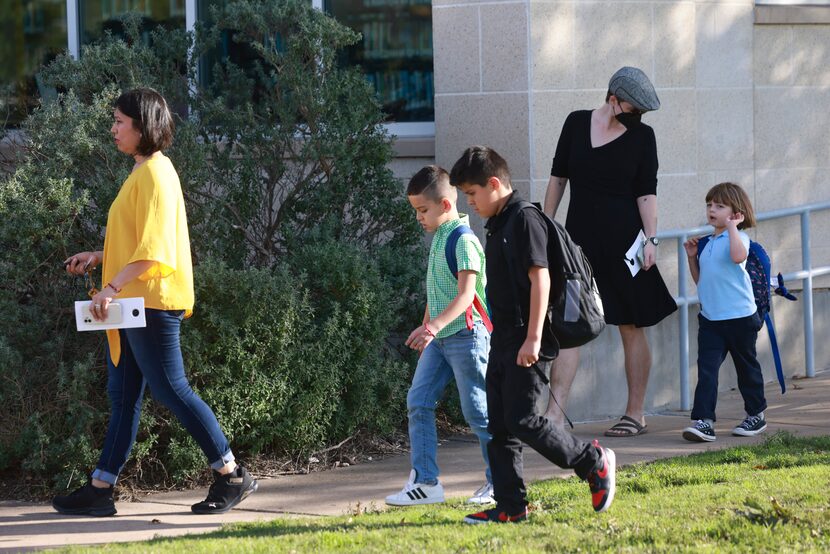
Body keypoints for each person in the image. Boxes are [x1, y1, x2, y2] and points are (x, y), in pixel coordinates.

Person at [53, 88, 257, 517]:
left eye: (119, 121)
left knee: (171, 388)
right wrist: (99, 258)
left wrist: (108, 289)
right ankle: (100, 488)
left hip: (150, 303)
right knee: (123, 397)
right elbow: (135, 245)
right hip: (133, 303)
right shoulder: (142, 173)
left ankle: (231, 475)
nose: (113, 128)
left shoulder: (156, 175)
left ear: (142, 126)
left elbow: (154, 251)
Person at [451, 146, 615, 524]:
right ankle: (511, 507)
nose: (471, 203)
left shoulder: (524, 220)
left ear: (494, 184)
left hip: (527, 339)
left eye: (473, 194)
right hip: (503, 337)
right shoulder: (499, 223)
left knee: (524, 419)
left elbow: (539, 278)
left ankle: (593, 461)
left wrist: (534, 339)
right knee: (500, 426)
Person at [543, 66, 677, 437]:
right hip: (577, 247)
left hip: (624, 246)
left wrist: (651, 239)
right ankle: (554, 416)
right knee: (568, 327)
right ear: (613, 99)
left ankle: (635, 414)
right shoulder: (575, 124)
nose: (639, 118)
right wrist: (545, 227)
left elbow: (647, 192)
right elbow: (558, 178)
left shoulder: (643, 138)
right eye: (634, 109)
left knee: (631, 327)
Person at [385, 165, 494, 507]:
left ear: (446, 205)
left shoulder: (463, 239)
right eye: (416, 210)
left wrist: (432, 328)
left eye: (422, 210)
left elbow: (465, 296)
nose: (419, 217)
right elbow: (438, 294)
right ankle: (426, 483)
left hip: (467, 336)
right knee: (418, 401)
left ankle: (501, 480)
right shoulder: (438, 239)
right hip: (440, 340)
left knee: (478, 412)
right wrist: (427, 329)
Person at [681, 183, 768, 442]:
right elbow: (702, 281)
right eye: (709, 205)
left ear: (735, 212)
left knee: (746, 369)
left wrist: (732, 228)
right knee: (707, 371)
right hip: (711, 320)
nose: (712, 210)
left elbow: (739, 257)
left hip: (740, 318)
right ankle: (703, 421)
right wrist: (691, 258)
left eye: (719, 206)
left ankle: (756, 415)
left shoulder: (739, 238)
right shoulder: (707, 243)